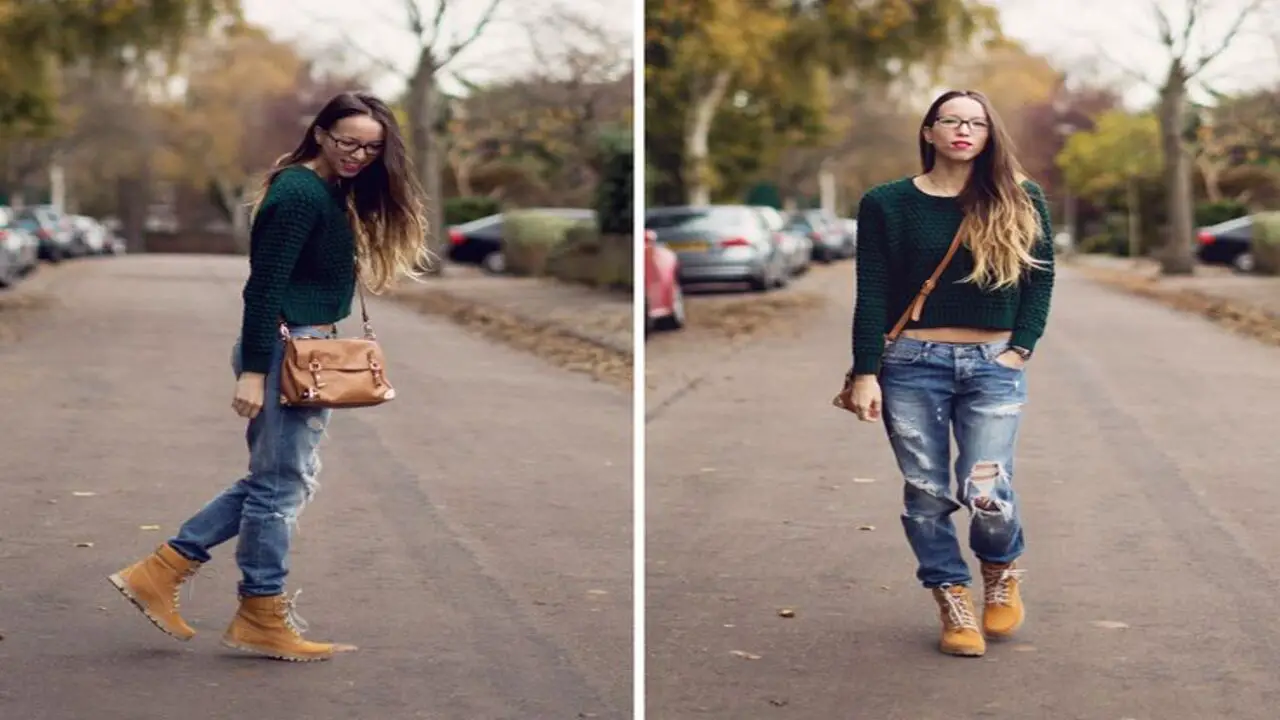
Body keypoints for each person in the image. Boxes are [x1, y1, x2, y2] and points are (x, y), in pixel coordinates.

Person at [108, 91, 429, 662]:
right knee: (279, 487)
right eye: (348, 142)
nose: (359, 154)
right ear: (322, 134)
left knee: (281, 481)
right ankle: (257, 610)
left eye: (372, 147)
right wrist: (254, 372)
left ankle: (163, 572)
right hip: (285, 351)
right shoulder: (299, 192)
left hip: (307, 346)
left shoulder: (328, 189)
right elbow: (262, 288)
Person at [845, 89, 1055, 658]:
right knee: (926, 491)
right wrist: (867, 371)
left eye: (976, 123)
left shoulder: (1020, 197)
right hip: (912, 365)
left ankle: (1000, 567)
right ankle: (951, 595)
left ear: (989, 136)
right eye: (951, 120)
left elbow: (1040, 281)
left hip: (994, 366)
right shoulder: (886, 203)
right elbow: (873, 293)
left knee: (986, 489)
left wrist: (1022, 349)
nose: (963, 130)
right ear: (929, 132)